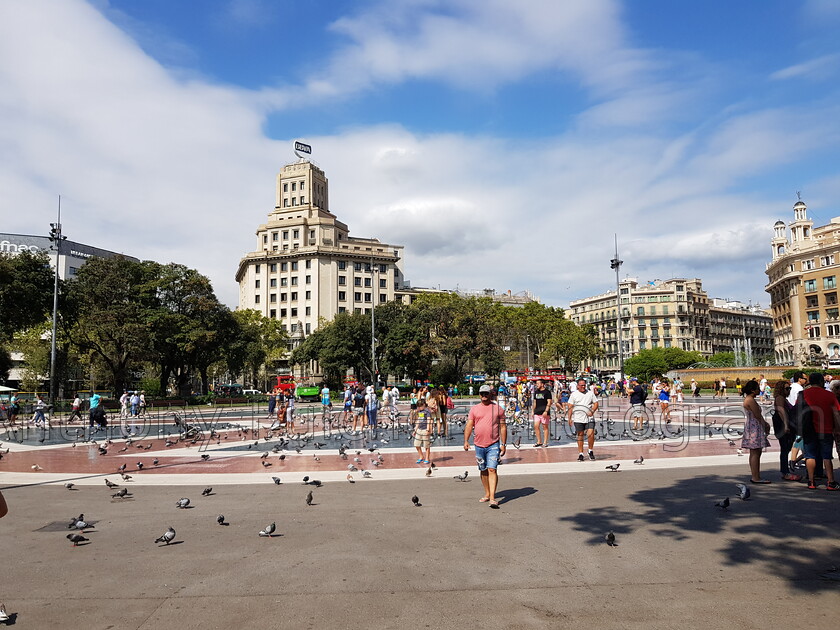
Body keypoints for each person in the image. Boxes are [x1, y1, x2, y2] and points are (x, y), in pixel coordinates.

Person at [463, 385, 507, 508]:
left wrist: (503, 444)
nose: (484, 396)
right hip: (478, 445)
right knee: (483, 470)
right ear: (479, 394)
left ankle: (492, 498)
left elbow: (503, 427)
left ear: (491, 394)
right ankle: (487, 493)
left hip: (493, 444)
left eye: (486, 393)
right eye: (482, 393)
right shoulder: (474, 409)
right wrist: (466, 441)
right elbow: (469, 425)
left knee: (492, 469)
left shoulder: (498, 409)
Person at [802, 372, 840, 490]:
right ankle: (831, 482)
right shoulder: (829, 395)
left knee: (810, 455)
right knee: (827, 456)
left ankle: (811, 481)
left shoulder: (803, 394)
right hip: (826, 429)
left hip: (808, 429)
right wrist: (838, 428)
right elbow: (836, 413)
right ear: (821, 381)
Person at [741, 380, 771, 484]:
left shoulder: (748, 399)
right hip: (754, 427)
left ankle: (755, 475)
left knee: (755, 452)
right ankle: (756, 477)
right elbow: (757, 415)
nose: (759, 390)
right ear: (753, 390)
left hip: (751, 426)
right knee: (755, 452)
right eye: (758, 388)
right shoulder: (750, 400)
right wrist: (765, 425)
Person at [772, 380, 801, 481]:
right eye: (787, 388)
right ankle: (785, 472)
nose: (789, 390)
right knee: (784, 449)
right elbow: (781, 411)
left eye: (790, 388)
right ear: (781, 389)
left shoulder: (783, 398)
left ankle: (785, 471)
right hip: (782, 425)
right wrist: (785, 425)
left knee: (786, 449)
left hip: (783, 425)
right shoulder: (780, 398)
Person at [567, 378, 599, 461]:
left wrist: (592, 411)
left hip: (589, 417)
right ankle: (581, 453)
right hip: (578, 418)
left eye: (584, 385)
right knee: (580, 435)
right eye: (581, 385)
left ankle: (590, 450)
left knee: (591, 434)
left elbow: (596, 403)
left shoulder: (590, 393)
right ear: (577, 386)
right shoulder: (574, 395)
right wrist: (569, 418)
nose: (583, 387)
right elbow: (570, 407)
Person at [412, 398, 433, 465]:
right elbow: (419, 420)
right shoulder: (420, 411)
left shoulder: (427, 411)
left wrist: (428, 429)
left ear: (424, 405)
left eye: (420, 406)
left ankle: (427, 458)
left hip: (425, 429)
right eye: (418, 406)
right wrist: (415, 429)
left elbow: (429, 420)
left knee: (426, 445)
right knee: (416, 444)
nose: (419, 408)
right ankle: (421, 456)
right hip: (419, 429)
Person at [531, 379, 552, 447]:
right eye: (536, 384)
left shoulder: (547, 392)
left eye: (538, 383)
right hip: (537, 412)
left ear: (542, 384)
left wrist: (546, 411)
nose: (537, 385)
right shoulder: (536, 392)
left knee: (545, 427)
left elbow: (549, 402)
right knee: (536, 426)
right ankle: (539, 441)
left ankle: (545, 442)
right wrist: (532, 411)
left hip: (544, 412)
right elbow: (534, 402)